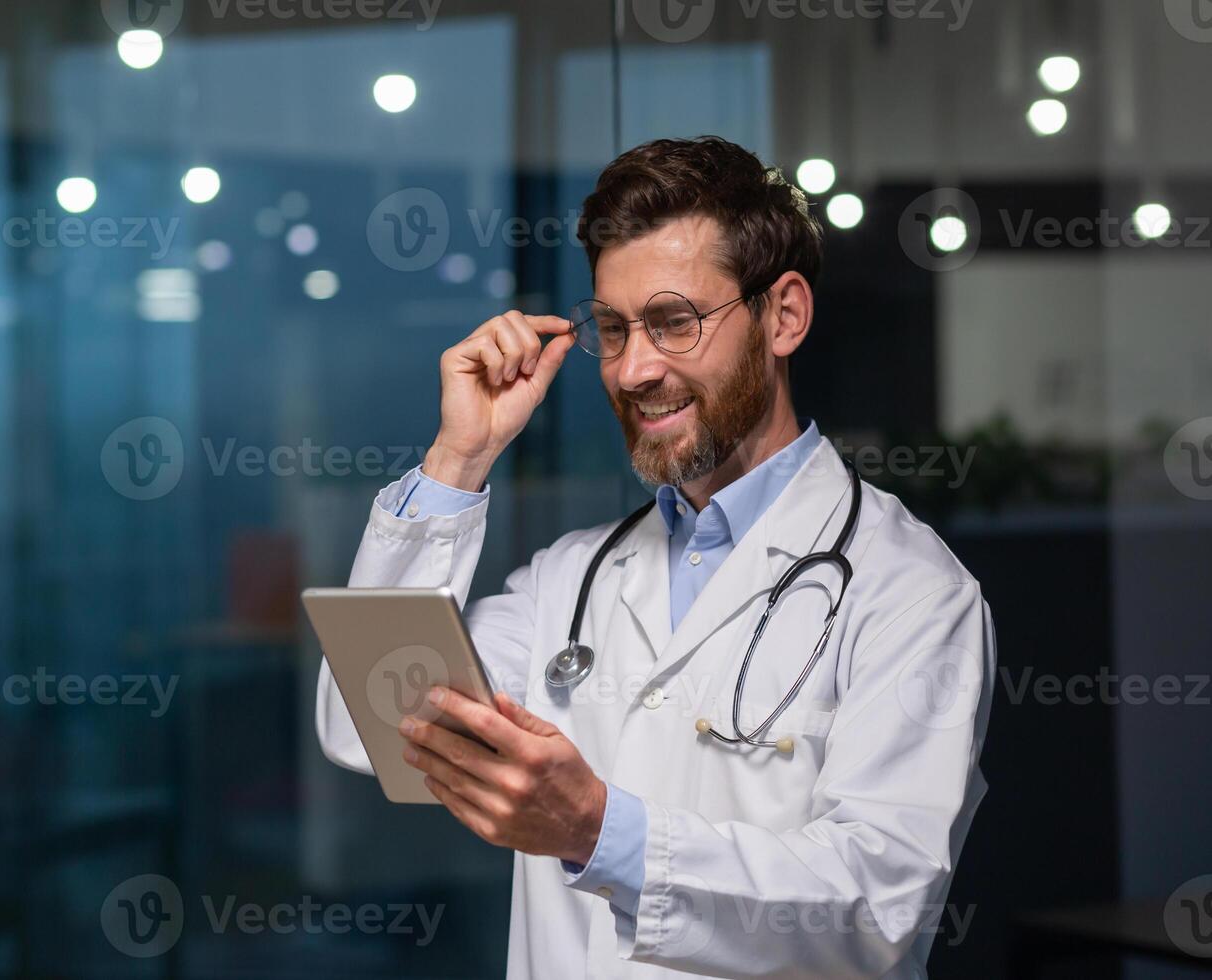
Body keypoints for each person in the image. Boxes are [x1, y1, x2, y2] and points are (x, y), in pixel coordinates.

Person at [315, 135, 996, 979]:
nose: (635, 369)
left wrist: (601, 834)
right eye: (612, 329)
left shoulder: (909, 589)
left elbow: (878, 907)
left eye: (675, 323)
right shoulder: (569, 577)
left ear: (783, 315)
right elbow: (371, 724)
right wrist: (459, 460)